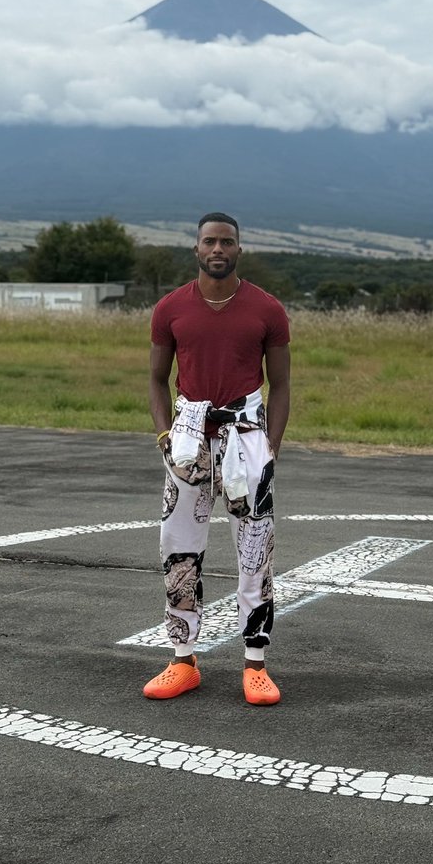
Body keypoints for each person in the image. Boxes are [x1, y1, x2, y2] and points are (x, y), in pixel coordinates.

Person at [144, 212, 291, 706]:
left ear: (239, 250)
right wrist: (164, 434)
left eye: (227, 242)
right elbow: (156, 379)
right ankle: (182, 660)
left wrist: (271, 446)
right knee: (179, 547)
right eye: (209, 241)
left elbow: (281, 384)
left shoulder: (267, 309)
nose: (218, 250)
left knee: (255, 549)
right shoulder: (170, 308)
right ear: (197, 248)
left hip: (247, 437)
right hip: (187, 439)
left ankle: (255, 664)